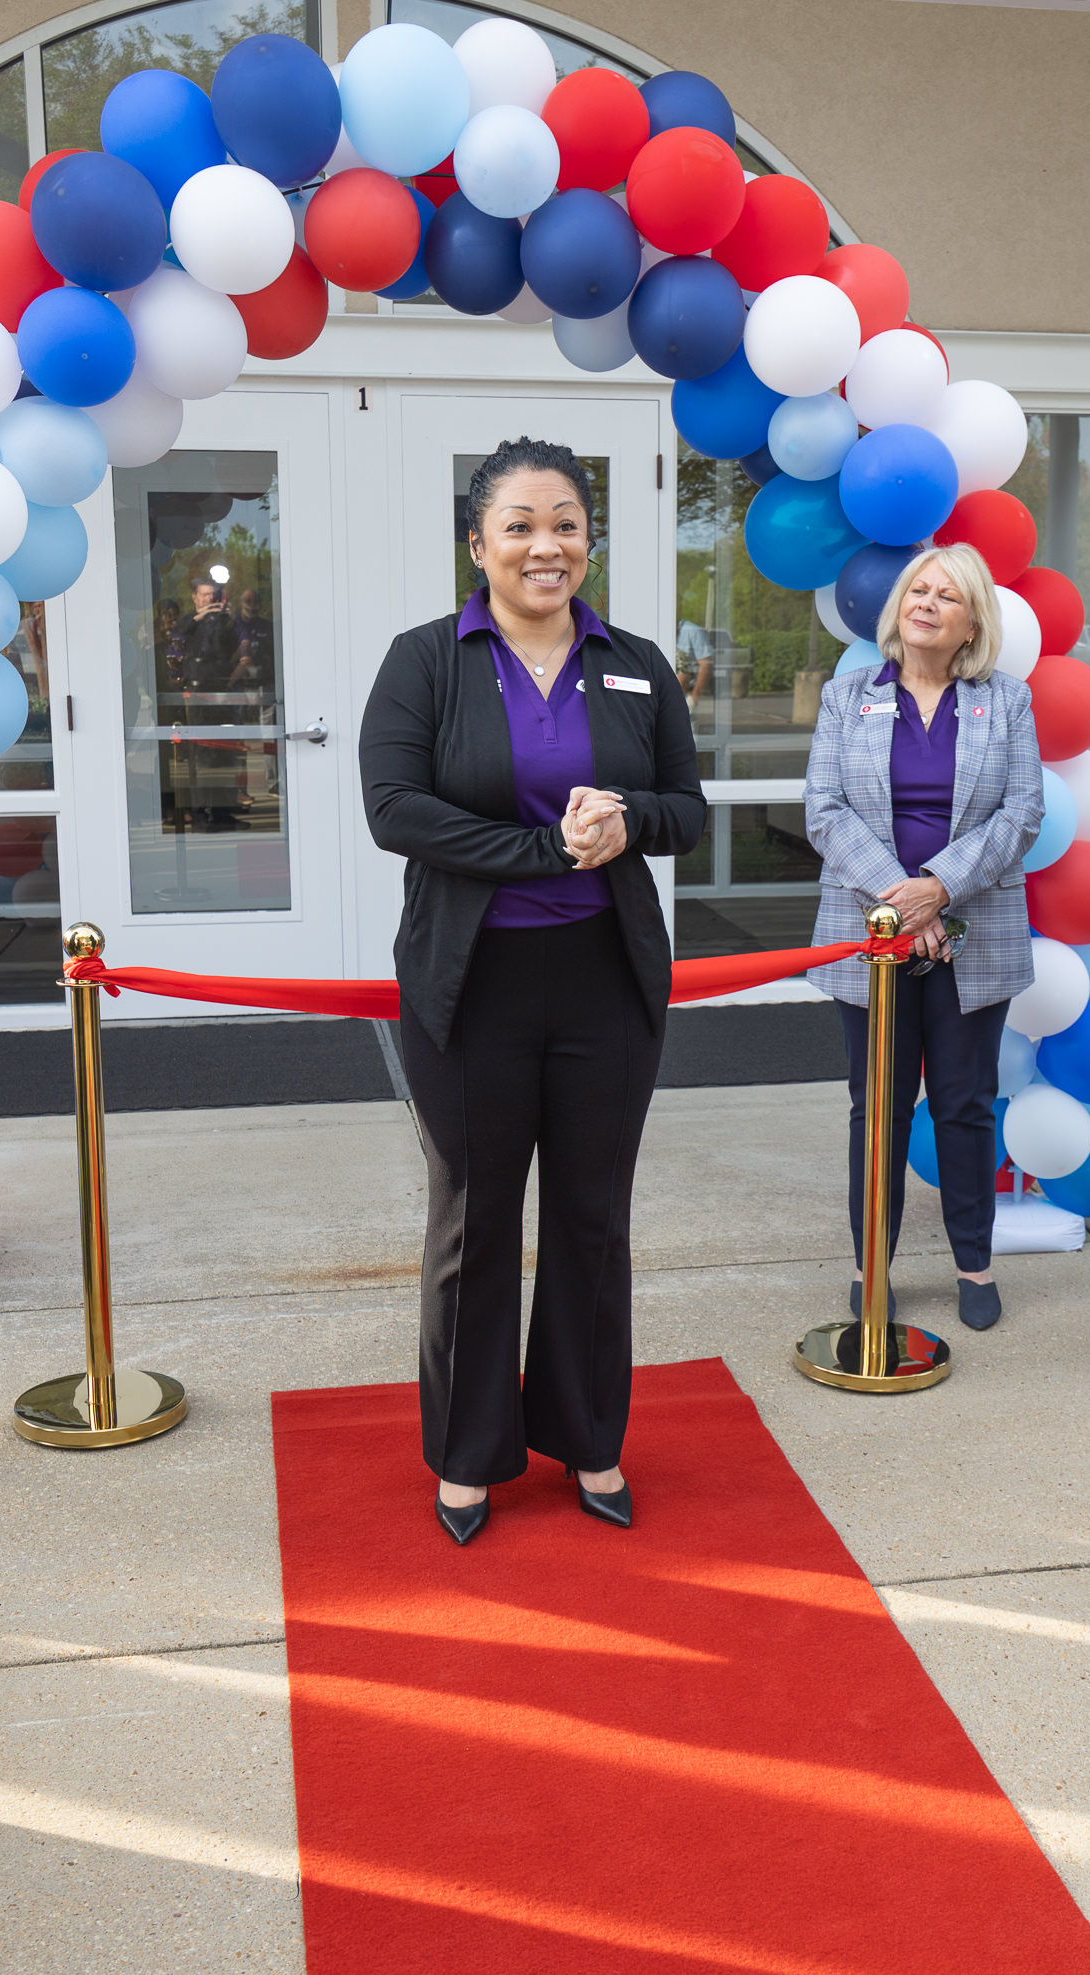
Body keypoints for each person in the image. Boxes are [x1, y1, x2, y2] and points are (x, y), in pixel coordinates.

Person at [360, 437, 704, 1546]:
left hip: (606, 984)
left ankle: (590, 1438)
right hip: (472, 986)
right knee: (473, 1219)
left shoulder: (637, 662)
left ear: (588, 540)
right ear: (479, 544)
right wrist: (548, 853)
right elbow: (396, 810)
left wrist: (629, 822)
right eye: (519, 524)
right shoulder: (426, 659)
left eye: (564, 522)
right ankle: (468, 1457)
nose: (544, 544)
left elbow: (685, 808)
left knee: (594, 1222)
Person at [802, 546, 1042, 1331]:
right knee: (877, 1107)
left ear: (972, 620)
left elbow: (1021, 813)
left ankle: (974, 1264)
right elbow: (826, 812)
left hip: (977, 929)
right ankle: (875, 1263)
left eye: (947, 595)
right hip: (866, 930)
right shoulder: (848, 696)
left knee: (966, 1105)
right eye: (918, 589)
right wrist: (905, 903)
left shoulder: (1004, 701)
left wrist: (939, 887)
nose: (926, 602)